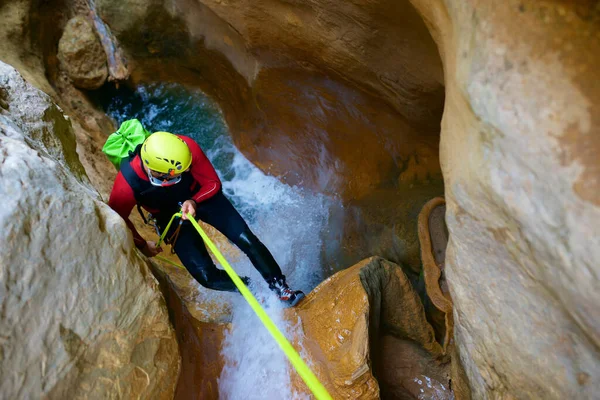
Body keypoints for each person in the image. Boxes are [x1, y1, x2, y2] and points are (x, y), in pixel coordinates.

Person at [108, 131, 305, 306]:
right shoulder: (126, 184)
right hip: (169, 215)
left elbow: (212, 183)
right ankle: (251, 288)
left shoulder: (187, 147)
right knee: (205, 276)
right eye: (175, 176)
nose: (181, 174)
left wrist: (193, 202)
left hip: (202, 196)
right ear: (155, 172)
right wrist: (142, 245)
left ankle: (281, 288)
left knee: (247, 240)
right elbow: (117, 218)